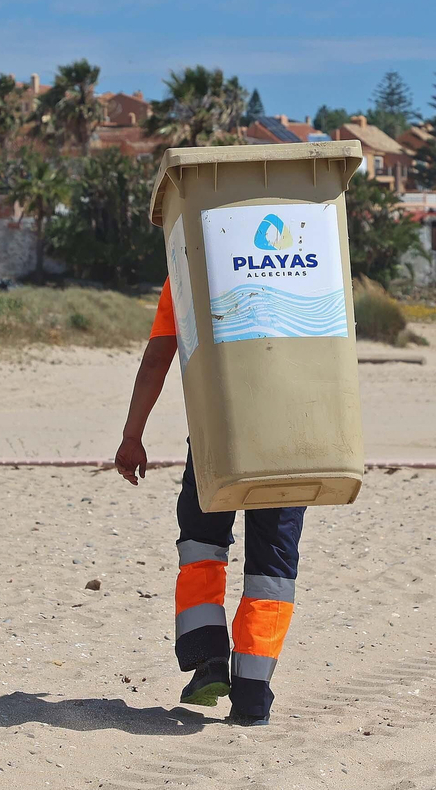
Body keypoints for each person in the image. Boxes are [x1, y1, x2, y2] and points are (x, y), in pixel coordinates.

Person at [114, 280, 303, 727]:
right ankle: (254, 696)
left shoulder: (190, 264)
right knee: (272, 569)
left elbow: (158, 358)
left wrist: (131, 436)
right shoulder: (308, 261)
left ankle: (209, 660)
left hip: (218, 437)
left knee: (202, 544)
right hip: (297, 438)